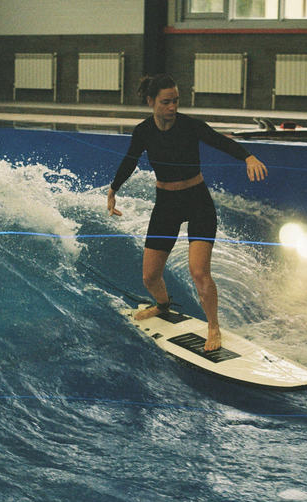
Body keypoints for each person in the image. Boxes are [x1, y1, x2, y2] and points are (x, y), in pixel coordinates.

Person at [107, 74, 267, 352]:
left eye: (176, 101)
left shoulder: (190, 126)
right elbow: (130, 161)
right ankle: (163, 305)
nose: (172, 107)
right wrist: (113, 189)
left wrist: (248, 157)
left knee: (199, 273)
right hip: (166, 205)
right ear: (151, 102)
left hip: (197, 202)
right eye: (165, 102)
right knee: (149, 277)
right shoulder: (143, 131)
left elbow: (221, 142)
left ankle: (213, 327)